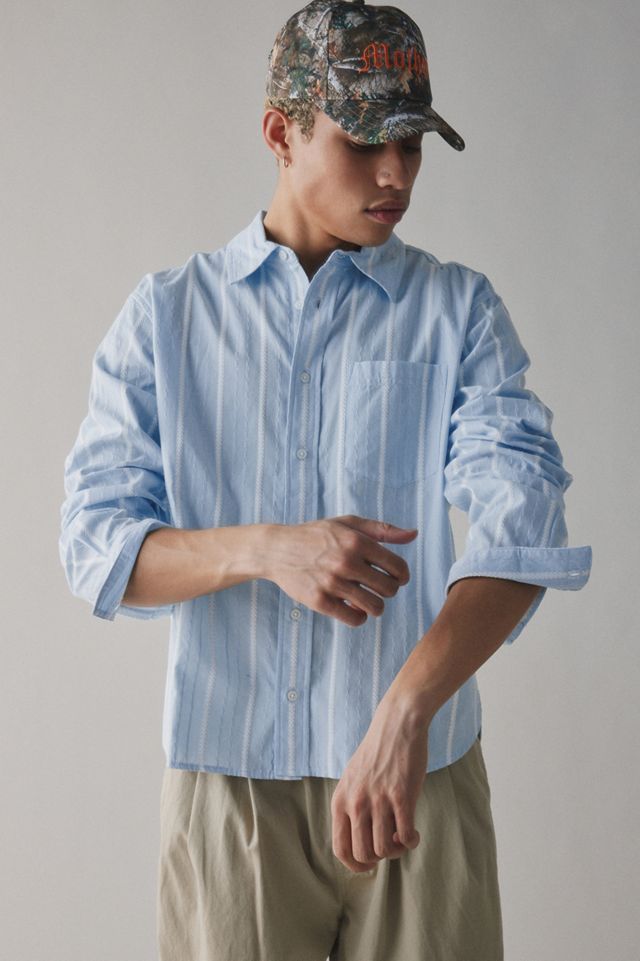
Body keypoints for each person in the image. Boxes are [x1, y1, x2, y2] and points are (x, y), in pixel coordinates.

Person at [58, 1, 593, 958]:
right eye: (364, 142)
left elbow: (525, 530)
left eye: (413, 145)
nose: (397, 175)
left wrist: (406, 711)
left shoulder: (458, 312)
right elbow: (96, 547)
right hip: (230, 797)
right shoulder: (167, 318)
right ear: (281, 132)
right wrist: (271, 549)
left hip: (418, 781)